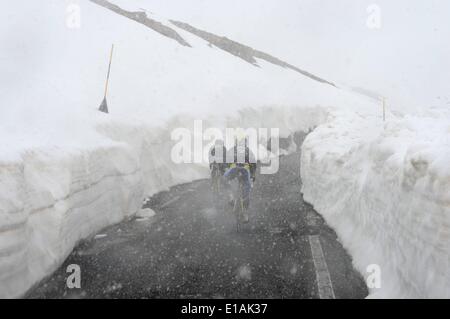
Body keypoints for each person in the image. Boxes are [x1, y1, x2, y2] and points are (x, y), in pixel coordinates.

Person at [223, 137, 257, 223]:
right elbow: (253, 164)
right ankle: (245, 212)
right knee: (247, 190)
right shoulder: (248, 151)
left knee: (225, 179)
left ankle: (230, 196)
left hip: (234, 170)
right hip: (244, 172)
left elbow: (226, 163)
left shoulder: (232, 150)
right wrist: (253, 175)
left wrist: (226, 168)